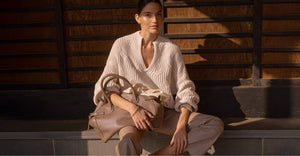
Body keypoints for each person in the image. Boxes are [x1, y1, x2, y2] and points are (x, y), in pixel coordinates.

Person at [93, 0, 224, 155]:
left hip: (161, 112)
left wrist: (181, 128)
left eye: (158, 15)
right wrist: (134, 110)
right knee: (127, 142)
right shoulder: (122, 45)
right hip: (129, 111)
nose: (155, 20)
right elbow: (107, 90)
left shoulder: (171, 49)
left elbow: (185, 91)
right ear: (137, 18)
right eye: (148, 15)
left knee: (213, 124)